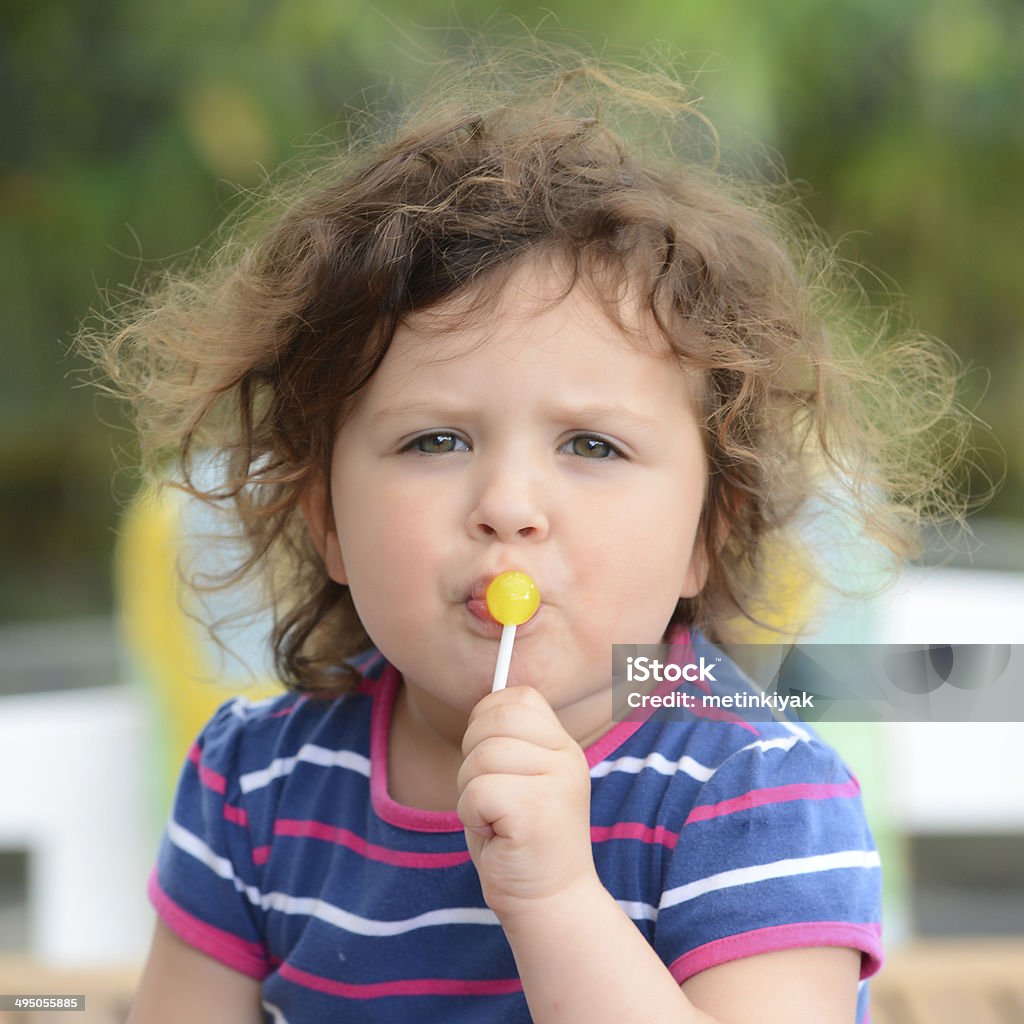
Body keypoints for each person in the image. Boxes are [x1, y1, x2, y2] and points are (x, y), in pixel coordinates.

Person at [86, 43, 969, 1024]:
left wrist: (553, 901)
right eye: (434, 439)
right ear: (325, 522)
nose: (508, 502)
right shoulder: (250, 787)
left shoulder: (755, 798)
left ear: (704, 536)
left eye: (590, 443)